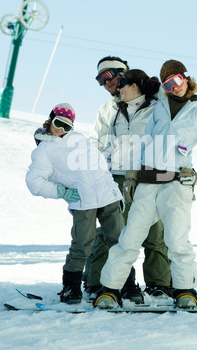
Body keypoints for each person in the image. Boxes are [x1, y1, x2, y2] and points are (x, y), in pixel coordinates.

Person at [94, 60, 197, 310]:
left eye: (176, 81)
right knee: (129, 239)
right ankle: (110, 290)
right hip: (147, 183)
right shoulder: (160, 105)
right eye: (167, 84)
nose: (173, 87)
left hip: (177, 184)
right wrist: (133, 175)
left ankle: (185, 291)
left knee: (177, 241)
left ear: (187, 79)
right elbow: (145, 141)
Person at [84, 57, 172, 302]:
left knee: (155, 233)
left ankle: (159, 284)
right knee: (111, 233)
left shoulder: (157, 101)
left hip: (152, 176)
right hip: (117, 176)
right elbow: (98, 141)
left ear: (125, 75)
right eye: (100, 80)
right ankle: (99, 282)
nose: (106, 83)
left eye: (109, 76)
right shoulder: (108, 108)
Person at [25, 102, 127, 304]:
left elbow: (100, 168)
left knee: (119, 242)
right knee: (82, 245)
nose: (61, 130)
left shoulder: (80, 140)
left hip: (108, 198)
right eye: (58, 123)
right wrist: (60, 191)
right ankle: (71, 288)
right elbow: (33, 182)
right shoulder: (44, 149)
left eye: (67, 126)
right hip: (83, 202)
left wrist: (117, 194)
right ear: (50, 119)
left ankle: (126, 285)